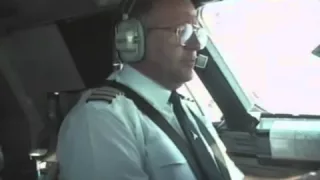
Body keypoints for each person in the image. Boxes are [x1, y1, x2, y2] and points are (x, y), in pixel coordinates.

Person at [56, 0, 242, 179]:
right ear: (132, 39)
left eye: (197, 32)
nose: (196, 44)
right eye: (182, 31)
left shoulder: (189, 109)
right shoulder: (101, 118)